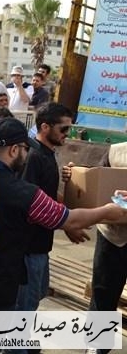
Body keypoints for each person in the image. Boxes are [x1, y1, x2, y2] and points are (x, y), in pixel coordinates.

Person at [0, 117, 126, 354]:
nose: (27, 155)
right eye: (25, 149)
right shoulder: (24, 194)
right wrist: (108, 211)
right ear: (14, 150)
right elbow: (69, 219)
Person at [12, 103, 82, 354]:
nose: (67, 135)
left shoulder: (48, 154)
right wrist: (67, 224)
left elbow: (49, 197)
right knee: (23, 309)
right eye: (63, 129)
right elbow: (33, 207)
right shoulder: (34, 157)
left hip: (40, 247)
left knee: (33, 300)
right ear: (45, 127)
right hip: (29, 249)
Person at [87, 142, 127, 354]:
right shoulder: (115, 152)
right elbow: (99, 185)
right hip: (111, 235)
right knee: (103, 291)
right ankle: (97, 346)